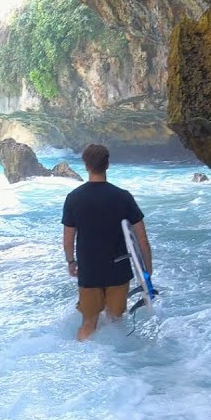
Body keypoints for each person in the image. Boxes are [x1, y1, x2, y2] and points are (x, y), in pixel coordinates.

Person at [61, 143, 152, 341]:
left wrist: (71, 261)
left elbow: (68, 238)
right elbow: (142, 240)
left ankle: (81, 357)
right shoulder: (123, 197)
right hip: (118, 270)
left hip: (89, 270)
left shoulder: (74, 198)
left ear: (86, 166)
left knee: (88, 322)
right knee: (115, 321)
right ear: (107, 165)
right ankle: (116, 358)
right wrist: (147, 271)